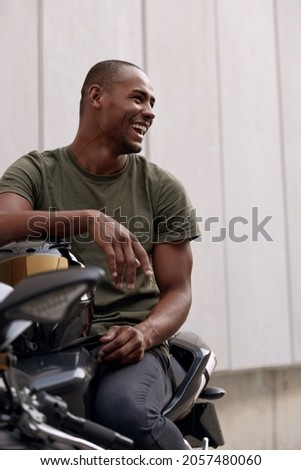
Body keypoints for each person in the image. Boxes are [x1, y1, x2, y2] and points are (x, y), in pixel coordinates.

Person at [0, 59, 200, 449]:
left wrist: (143, 334)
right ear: (97, 96)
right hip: (43, 347)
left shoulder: (161, 188)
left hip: (128, 348)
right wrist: (86, 219)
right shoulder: (37, 170)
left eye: (153, 102)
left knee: (125, 411)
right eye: (138, 98)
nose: (150, 111)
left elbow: (179, 290)